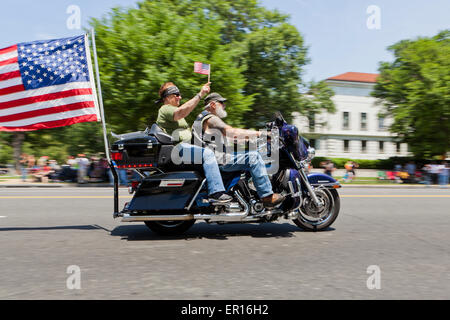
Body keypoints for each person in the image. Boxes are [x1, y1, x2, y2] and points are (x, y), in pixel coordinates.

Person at [191, 92, 284, 208]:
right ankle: (267, 196)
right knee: (253, 157)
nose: (224, 106)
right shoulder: (211, 119)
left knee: (251, 153)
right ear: (213, 105)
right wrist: (262, 134)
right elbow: (232, 132)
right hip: (218, 160)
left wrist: (249, 140)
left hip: (214, 158)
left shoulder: (203, 119)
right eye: (222, 103)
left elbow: (232, 139)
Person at [155, 82, 232, 203]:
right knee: (207, 154)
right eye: (176, 94)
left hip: (186, 147)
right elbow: (181, 112)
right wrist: (200, 94)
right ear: (167, 97)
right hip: (178, 149)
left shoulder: (174, 111)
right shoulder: (165, 109)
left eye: (179, 94)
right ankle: (216, 192)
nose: (179, 97)